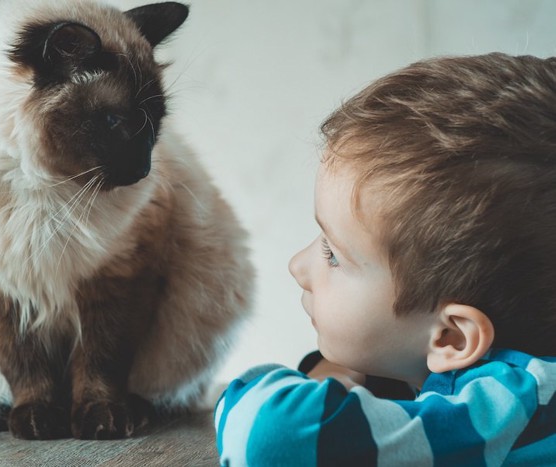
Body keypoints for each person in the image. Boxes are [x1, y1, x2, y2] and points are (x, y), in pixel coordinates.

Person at [215, 53, 556, 466]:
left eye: (332, 254)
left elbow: (267, 434)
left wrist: (327, 379)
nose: (298, 266)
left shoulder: (512, 407)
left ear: (451, 338)